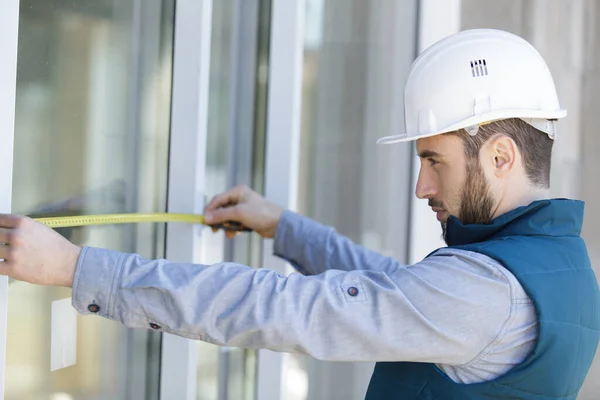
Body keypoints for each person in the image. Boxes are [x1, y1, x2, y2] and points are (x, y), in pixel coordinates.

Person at [1, 28, 599, 399]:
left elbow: (288, 309)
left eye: (434, 161)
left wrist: (80, 270)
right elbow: (396, 290)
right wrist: (281, 227)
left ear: (500, 155)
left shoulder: (487, 293)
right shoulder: (558, 269)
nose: (421, 186)